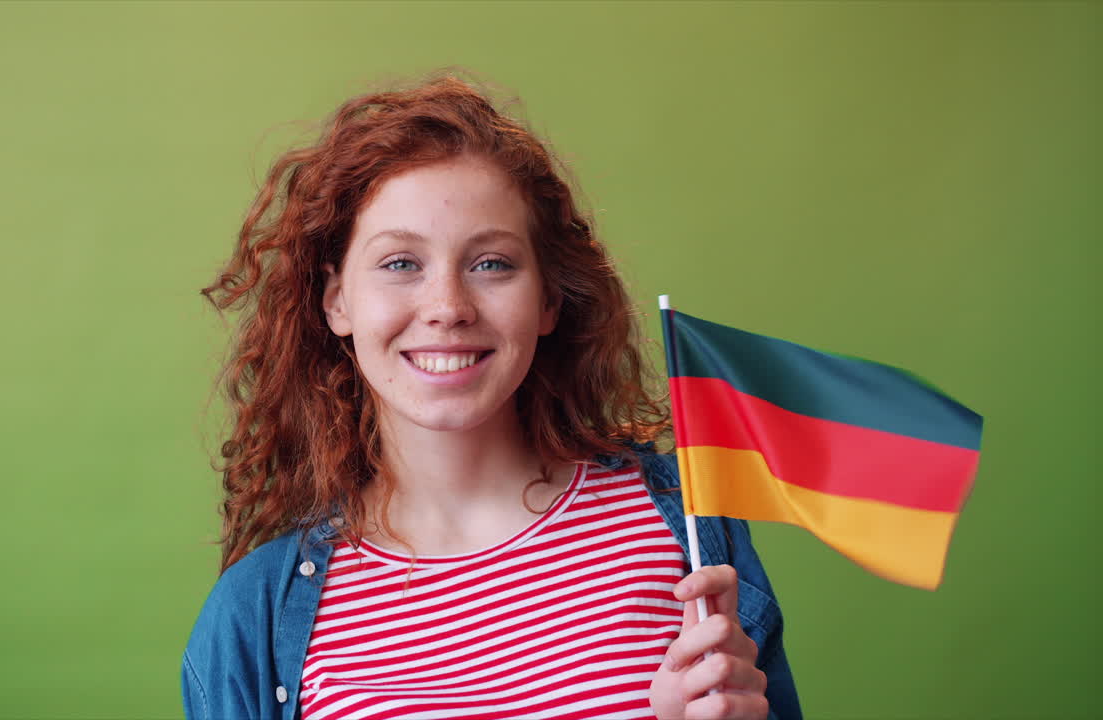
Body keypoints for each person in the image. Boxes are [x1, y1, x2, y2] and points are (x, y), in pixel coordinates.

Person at [182, 73, 802, 720]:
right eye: (400, 263)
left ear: (550, 301)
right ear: (337, 301)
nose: (448, 307)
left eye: (491, 264)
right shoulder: (253, 618)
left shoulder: (690, 530)